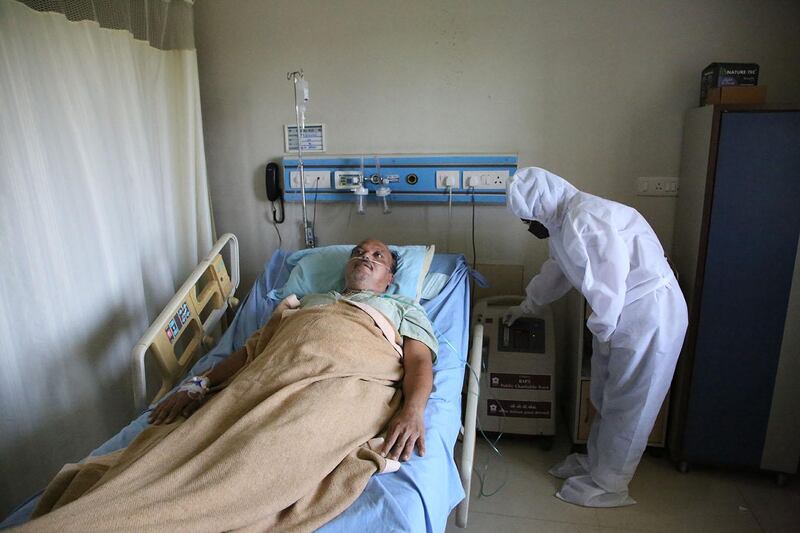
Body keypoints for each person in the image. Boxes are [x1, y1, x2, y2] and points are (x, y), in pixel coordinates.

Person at [22, 239, 438, 532]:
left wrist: (412, 410)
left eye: (377, 256)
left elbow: (419, 361)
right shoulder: (309, 302)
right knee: (177, 451)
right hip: (268, 376)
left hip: (341, 382)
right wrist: (199, 383)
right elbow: (253, 352)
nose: (365, 257)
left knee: (284, 443)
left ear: (389, 276)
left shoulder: (402, 308)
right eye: (358, 253)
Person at [504, 167, 687, 508]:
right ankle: (598, 463)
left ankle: (611, 484)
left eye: (529, 221)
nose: (530, 229)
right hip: (621, 315)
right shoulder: (562, 223)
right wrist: (528, 305)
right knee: (605, 396)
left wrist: (602, 329)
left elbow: (607, 282)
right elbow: (556, 273)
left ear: (542, 205)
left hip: (649, 314)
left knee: (632, 402)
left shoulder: (585, 217)